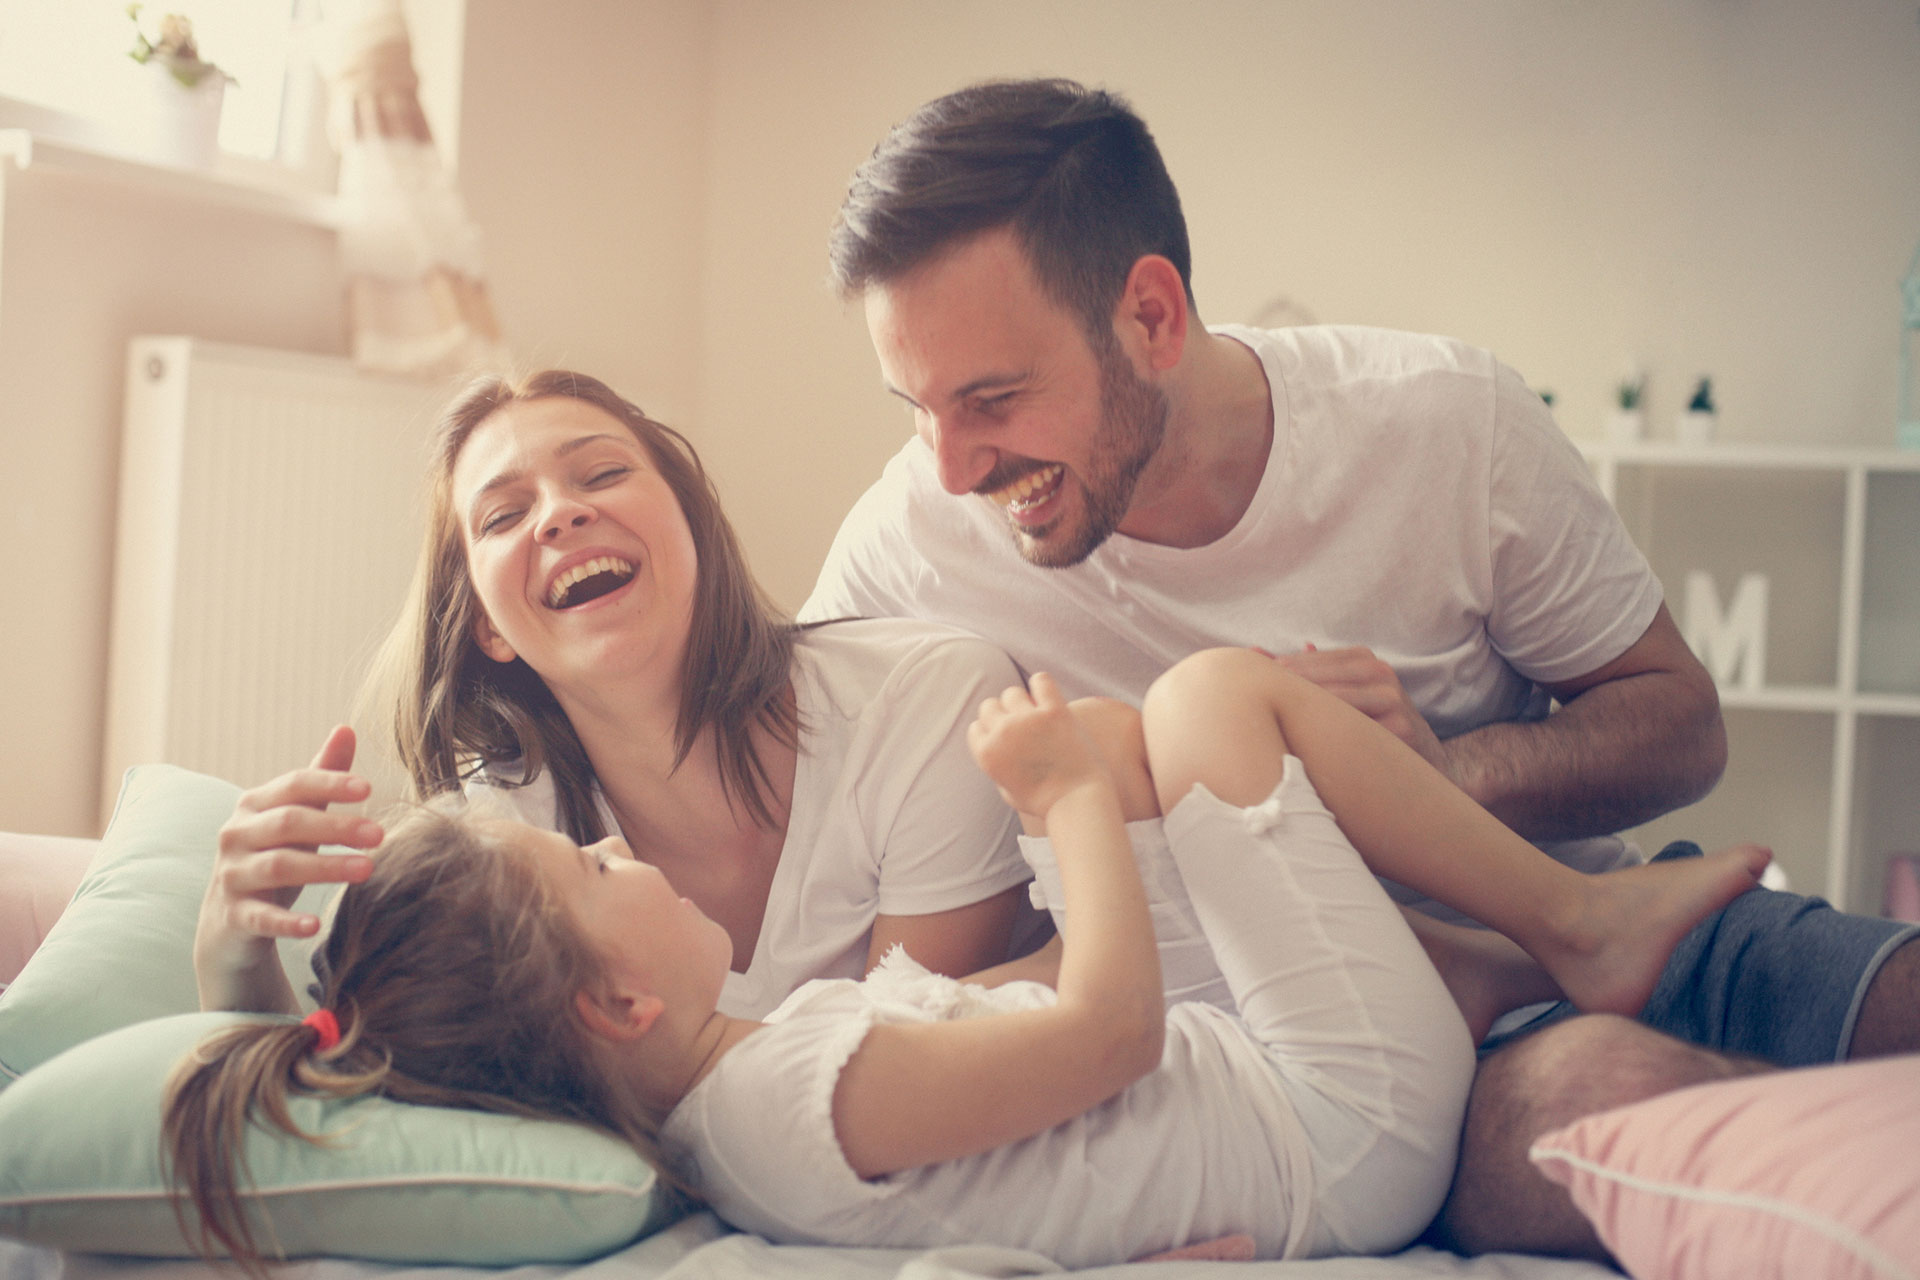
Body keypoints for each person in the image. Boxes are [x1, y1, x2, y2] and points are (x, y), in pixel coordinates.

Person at [802, 77, 1920, 1255]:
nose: (953, 463)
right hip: (1401, 1056)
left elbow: (1683, 727)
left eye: (992, 397)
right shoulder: (912, 540)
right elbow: (776, 765)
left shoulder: (1448, 423)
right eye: (915, 408)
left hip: (1636, 916)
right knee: (1622, 1097)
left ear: (1152, 317)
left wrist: (1453, 774)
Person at [163, 648, 1767, 1271]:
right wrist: (1070, 802)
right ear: (618, 1002)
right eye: (590, 868)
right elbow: (1111, 1035)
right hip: (1337, 1125)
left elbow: (1009, 1078)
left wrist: (1107, 817)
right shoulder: (798, 1091)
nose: (619, 849)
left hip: (1285, 1102)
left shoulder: (748, 1091)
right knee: (1210, 702)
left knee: (1154, 771)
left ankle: (1479, 964)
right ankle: (1576, 923)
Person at [193, 371, 1037, 1026]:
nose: (559, 514)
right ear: (489, 627)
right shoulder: (502, 843)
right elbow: (364, 1104)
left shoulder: (930, 704)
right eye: (501, 517)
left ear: (691, 529)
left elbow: (905, 1067)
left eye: (601, 472)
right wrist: (232, 959)